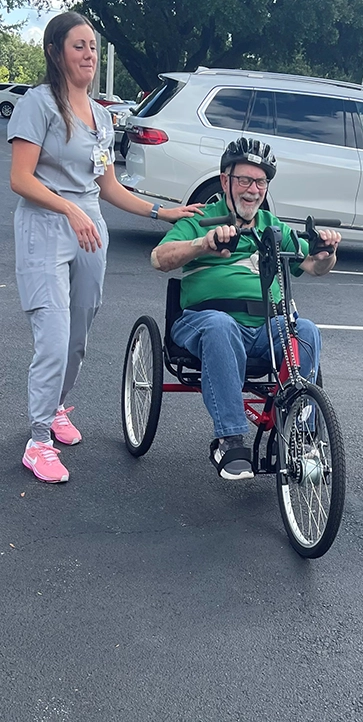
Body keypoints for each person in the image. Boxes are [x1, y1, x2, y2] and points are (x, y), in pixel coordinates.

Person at [8, 10, 201, 484]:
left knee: (78, 336)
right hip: (45, 227)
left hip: (90, 231)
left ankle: (55, 408)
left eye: (92, 46)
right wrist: (69, 209)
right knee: (52, 335)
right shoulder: (38, 104)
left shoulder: (100, 115)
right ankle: (37, 441)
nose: (89, 54)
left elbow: (108, 187)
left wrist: (162, 212)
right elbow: (19, 178)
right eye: (78, 46)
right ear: (55, 52)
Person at [151, 137, 341, 480]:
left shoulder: (273, 225)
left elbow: (313, 266)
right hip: (204, 321)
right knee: (221, 327)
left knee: (307, 330)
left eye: (260, 182)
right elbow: (159, 258)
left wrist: (327, 253)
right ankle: (230, 439)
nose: (253, 190)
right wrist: (202, 243)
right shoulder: (201, 218)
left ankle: (300, 433)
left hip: (266, 328)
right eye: (244, 180)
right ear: (226, 181)